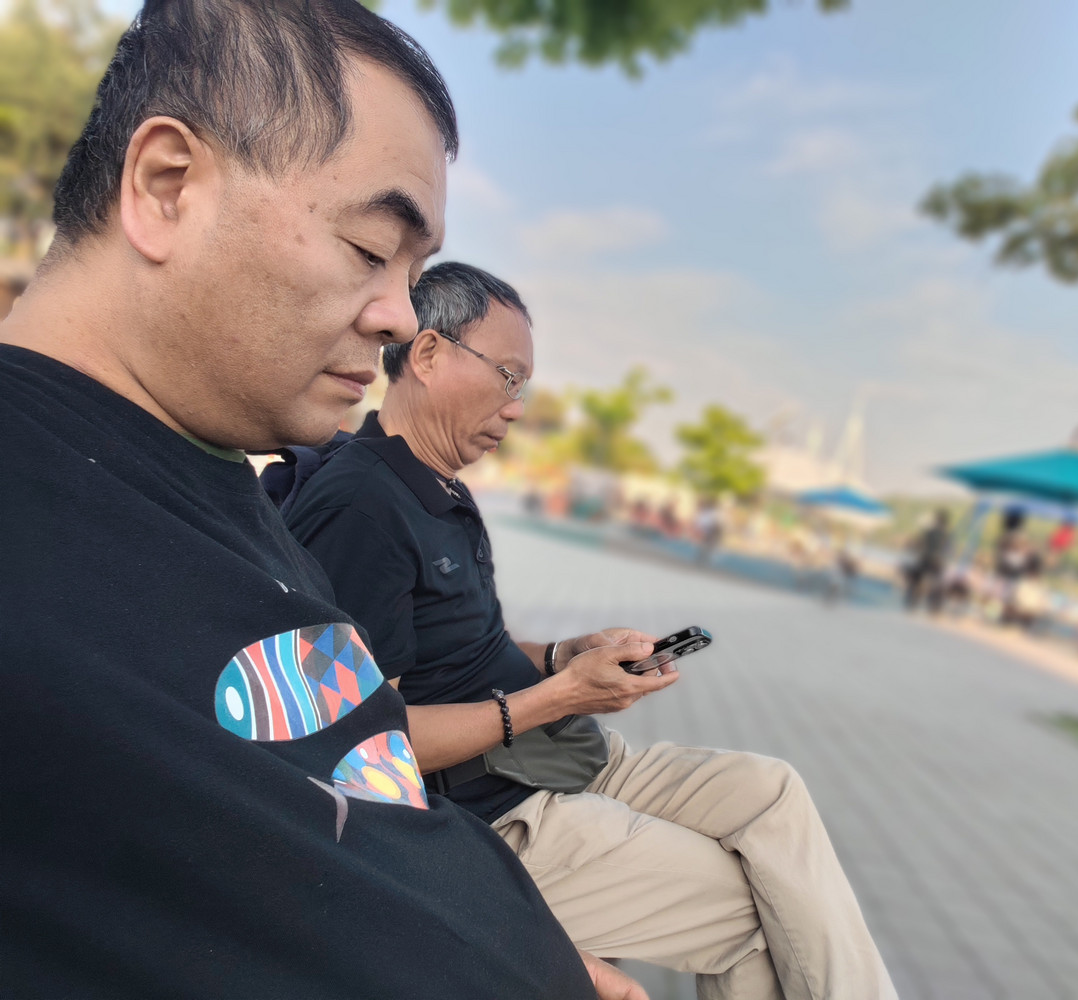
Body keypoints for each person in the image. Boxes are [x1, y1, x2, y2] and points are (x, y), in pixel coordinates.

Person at [0, 3, 642, 997]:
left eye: (415, 272)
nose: (399, 320)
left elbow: (358, 778)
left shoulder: (222, 483)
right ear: (168, 188)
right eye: (370, 249)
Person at [276, 262, 899, 1000]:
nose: (516, 407)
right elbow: (360, 742)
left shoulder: (438, 488)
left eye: (524, 386)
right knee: (754, 906)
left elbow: (457, 649)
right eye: (507, 376)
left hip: (560, 751)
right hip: (497, 805)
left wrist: (561, 657)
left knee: (771, 792)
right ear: (430, 353)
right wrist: (561, 695)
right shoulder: (361, 507)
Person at [904, 509, 951, 612]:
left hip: (925, 559)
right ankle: (934, 607)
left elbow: (919, 544)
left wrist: (914, 549)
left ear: (936, 520)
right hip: (937, 562)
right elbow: (948, 551)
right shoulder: (947, 535)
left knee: (915, 580)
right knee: (938, 584)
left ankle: (912, 602)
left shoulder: (929, 532)